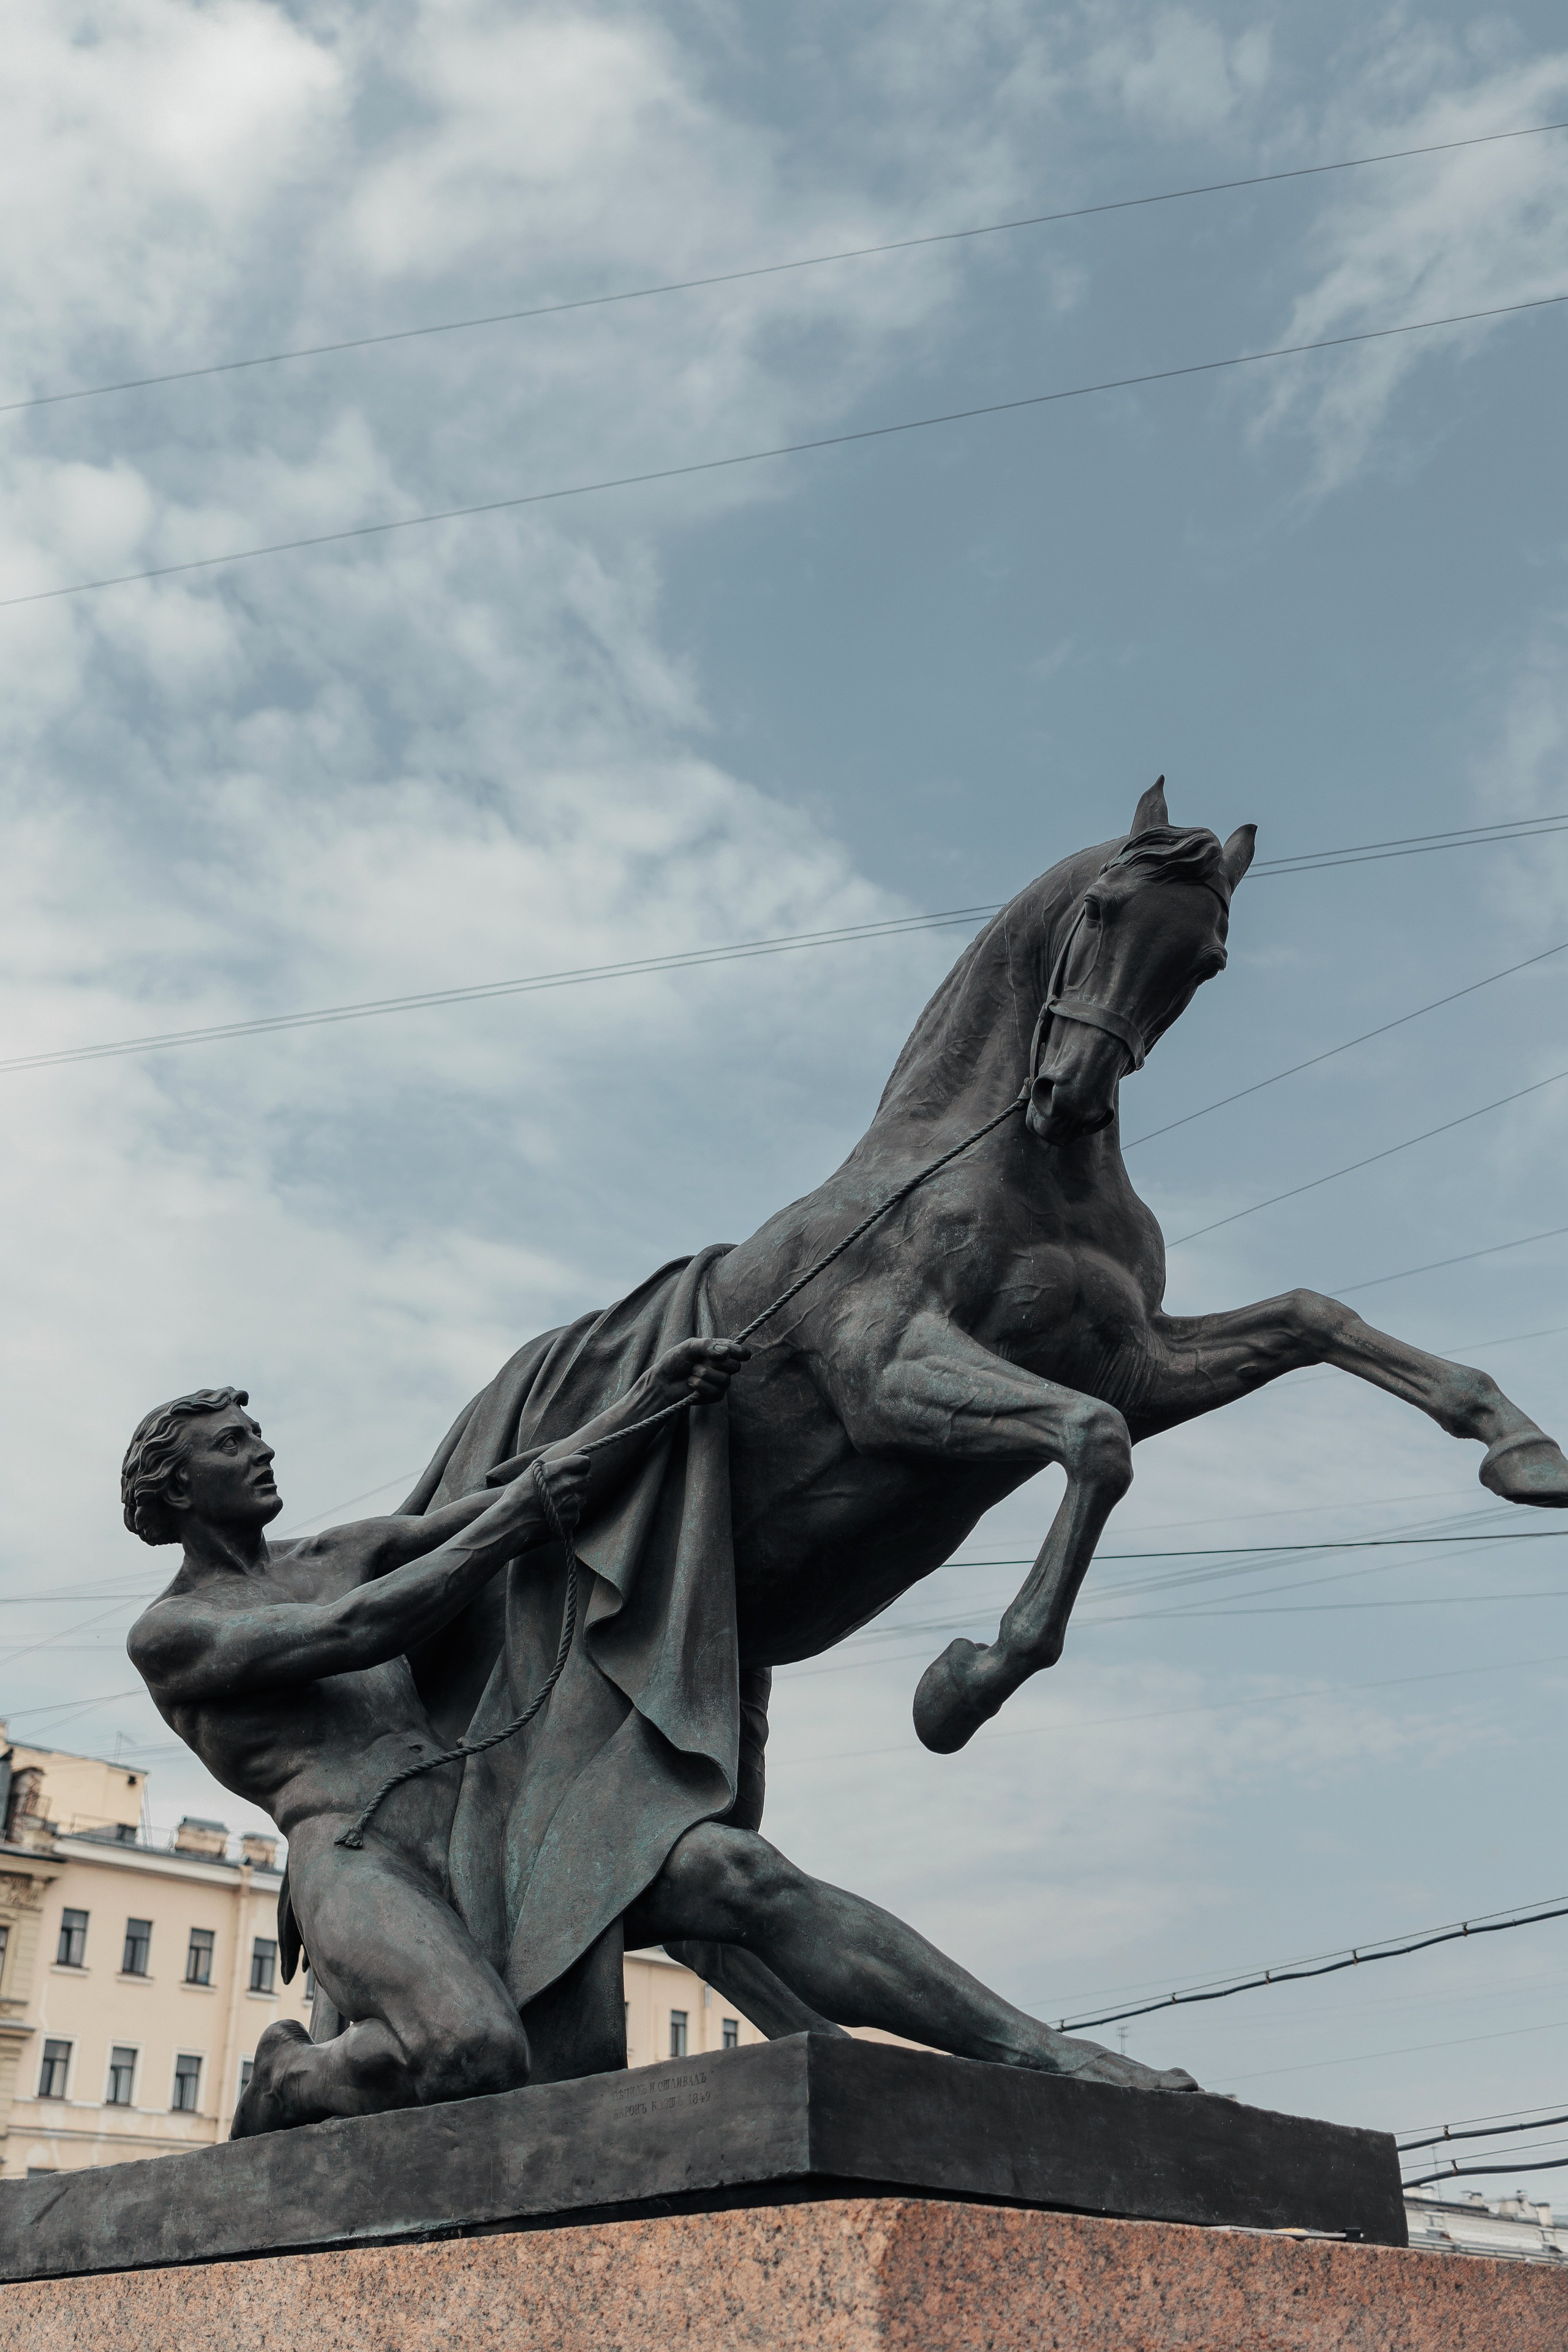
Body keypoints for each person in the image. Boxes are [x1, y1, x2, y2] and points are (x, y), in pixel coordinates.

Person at [124, 1340, 746, 2135]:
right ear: (180, 1484)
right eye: (232, 1442)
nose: (263, 1448)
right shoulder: (171, 1631)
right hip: (357, 1856)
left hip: (470, 1828)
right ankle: (293, 2075)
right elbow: (357, 1628)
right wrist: (515, 1521)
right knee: (475, 2053)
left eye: (256, 1432)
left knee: (729, 1879)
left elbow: (504, 1500)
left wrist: (654, 1395)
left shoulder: (333, 1552)